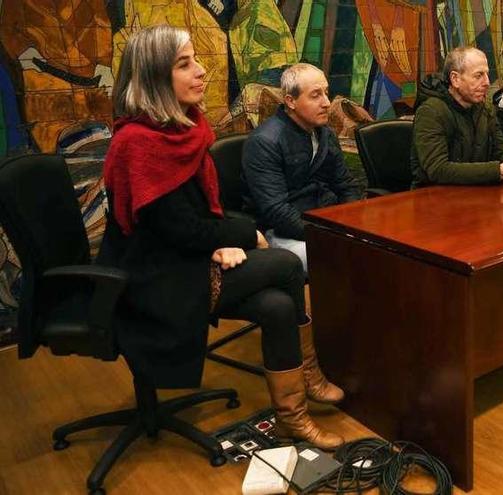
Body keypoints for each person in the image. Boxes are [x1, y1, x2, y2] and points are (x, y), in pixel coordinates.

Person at [97, 25, 343, 450]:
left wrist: (223, 241)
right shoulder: (138, 143)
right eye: (184, 64)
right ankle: (309, 377)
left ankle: (293, 416)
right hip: (154, 277)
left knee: (278, 305)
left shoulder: (183, 127)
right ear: (155, 76)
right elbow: (177, 230)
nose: (201, 71)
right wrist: (246, 234)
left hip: (186, 257)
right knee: (285, 263)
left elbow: (193, 221)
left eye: (196, 60)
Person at [242, 63, 361, 273]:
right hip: (283, 232)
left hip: (326, 222)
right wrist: (326, 235)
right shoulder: (264, 142)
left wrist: (351, 226)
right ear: (291, 101)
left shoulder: (325, 134)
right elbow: (276, 210)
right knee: (341, 260)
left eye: (326, 93)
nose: (326, 102)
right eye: (315, 95)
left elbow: (346, 186)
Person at [411, 46, 503, 187]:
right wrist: (497, 171)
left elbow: (501, 149)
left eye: (487, 74)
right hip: (434, 199)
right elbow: (438, 169)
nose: (487, 82)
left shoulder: (484, 108)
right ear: (455, 79)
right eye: (478, 76)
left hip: (477, 195)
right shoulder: (430, 112)